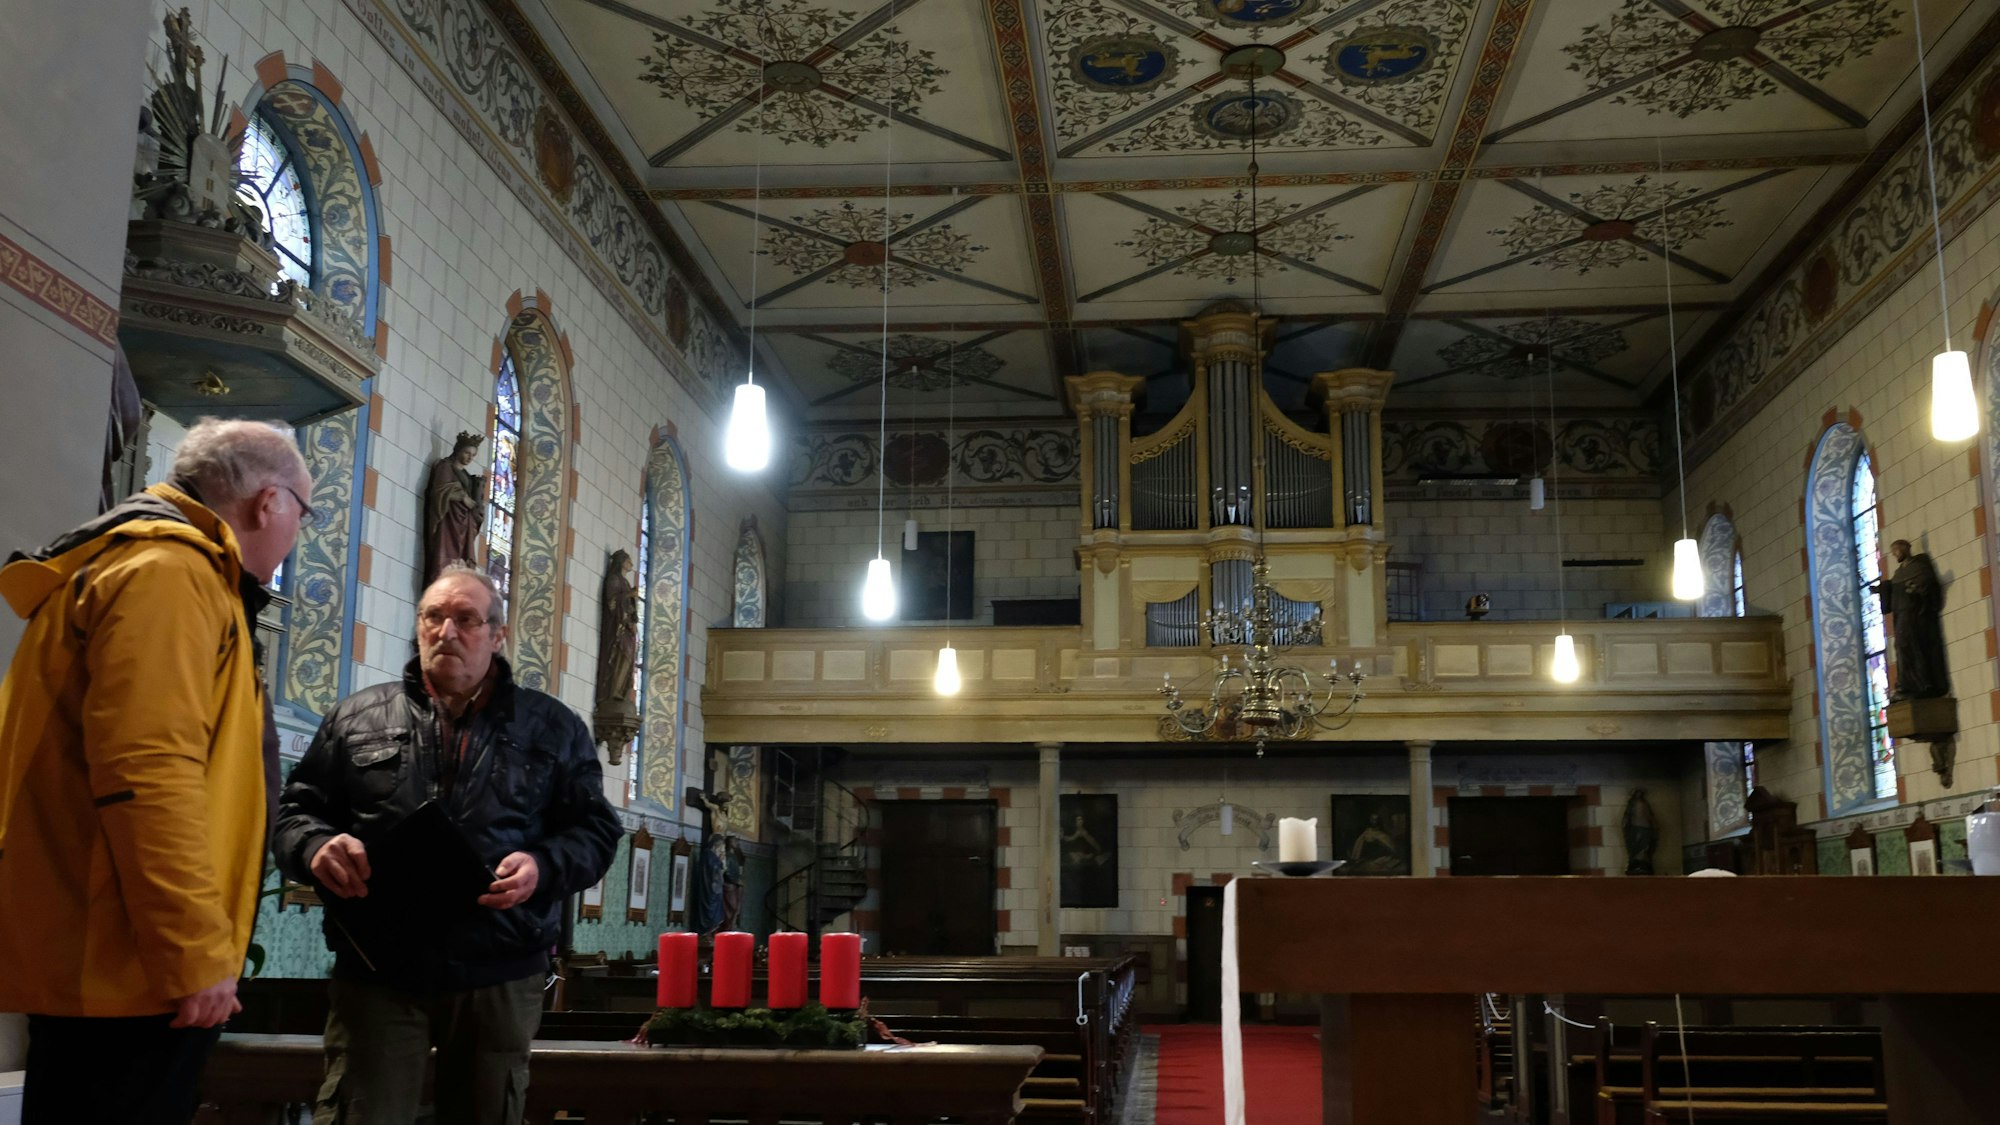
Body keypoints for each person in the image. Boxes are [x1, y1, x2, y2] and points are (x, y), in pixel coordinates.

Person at [0, 418, 314, 1124]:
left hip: (122, 951)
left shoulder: (161, 569)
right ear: (269, 503)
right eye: (303, 509)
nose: (296, 530)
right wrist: (193, 951)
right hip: (132, 965)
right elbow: (147, 774)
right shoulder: (170, 575)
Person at [273, 564, 620, 1125]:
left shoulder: (552, 727)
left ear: (496, 634)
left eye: (465, 619)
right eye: (434, 617)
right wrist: (314, 846)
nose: (447, 632)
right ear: (419, 626)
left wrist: (541, 864)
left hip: (499, 970)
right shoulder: (356, 717)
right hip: (380, 968)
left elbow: (597, 831)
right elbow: (296, 811)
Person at [1873, 538, 1948, 699]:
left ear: (1906, 549)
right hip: (1901, 616)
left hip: (1914, 616)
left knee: (1914, 647)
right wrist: (1882, 589)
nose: (1895, 555)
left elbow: (1928, 586)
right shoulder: (1899, 573)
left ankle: (1923, 683)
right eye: (1893, 552)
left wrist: (1917, 589)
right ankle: (1906, 684)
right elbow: (1893, 592)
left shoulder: (1919, 567)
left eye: (1896, 551)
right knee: (1901, 648)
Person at [424, 432, 486, 586]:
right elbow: (441, 490)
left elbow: (473, 505)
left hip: (464, 526)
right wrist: (463, 497)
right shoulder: (445, 466)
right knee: (444, 555)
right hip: (448, 522)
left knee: (461, 561)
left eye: (473, 455)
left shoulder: (466, 475)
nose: (470, 458)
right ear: (458, 450)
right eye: (466, 452)